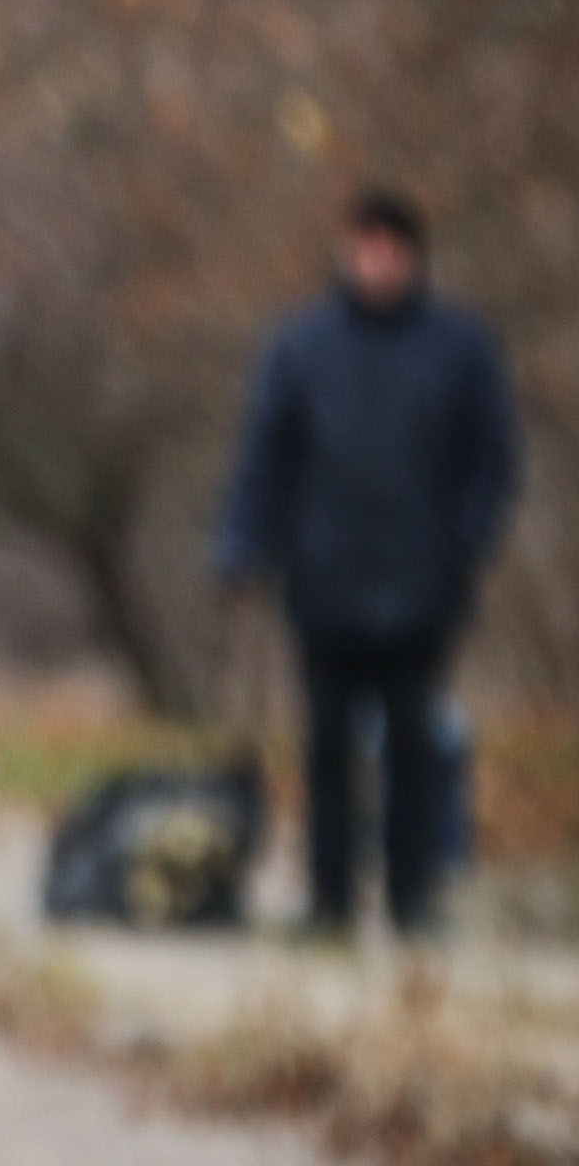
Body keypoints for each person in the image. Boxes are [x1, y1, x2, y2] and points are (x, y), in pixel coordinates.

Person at [216, 189, 519, 937]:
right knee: (326, 749)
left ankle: (414, 901)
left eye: (390, 248)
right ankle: (329, 901)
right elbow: (266, 457)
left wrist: (464, 542)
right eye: (364, 246)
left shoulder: (461, 347)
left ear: (413, 256)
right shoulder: (303, 345)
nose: (375, 261)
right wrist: (243, 545)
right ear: (348, 251)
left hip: (423, 588)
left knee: (414, 750)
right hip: (324, 582)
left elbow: (495, 456)